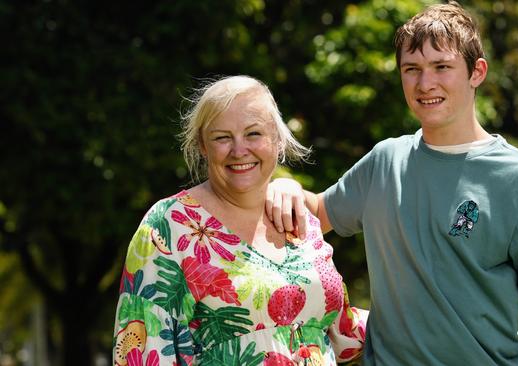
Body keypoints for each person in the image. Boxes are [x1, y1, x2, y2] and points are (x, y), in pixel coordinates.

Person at [266, 2, 518, 365]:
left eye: (442, 67)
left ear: (477, 72)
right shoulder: (384, 162)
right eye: (412, 69)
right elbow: (314, 213)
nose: (425, 84)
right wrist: (285, 187)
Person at [112, 75, 367, 365]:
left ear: (277, 139)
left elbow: (342, 330)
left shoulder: (299, 220)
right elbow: (140, 351)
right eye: (222, 137)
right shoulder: (169, 225)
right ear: (202, 146)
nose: (239, 150)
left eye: (253, 134)